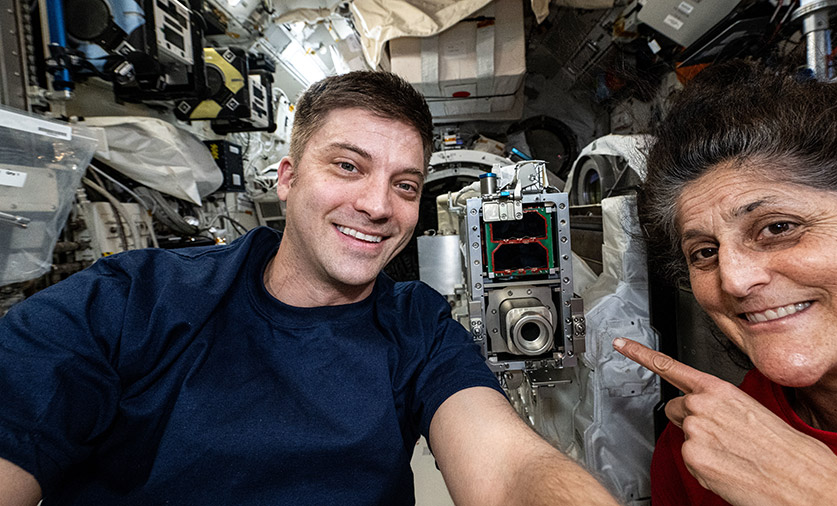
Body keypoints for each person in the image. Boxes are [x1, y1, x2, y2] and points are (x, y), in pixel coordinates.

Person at [0, 71, 619, 505]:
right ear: (287, 179)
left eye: (405, 185)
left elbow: (510, 469)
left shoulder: (418, 329)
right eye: (348, 166)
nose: (378, 205)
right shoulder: (130, 301)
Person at [613, 59, 837, 505]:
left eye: (778, 228)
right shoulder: (706, 448)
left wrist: (817, 490)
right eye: (705, 253)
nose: (734, 279)